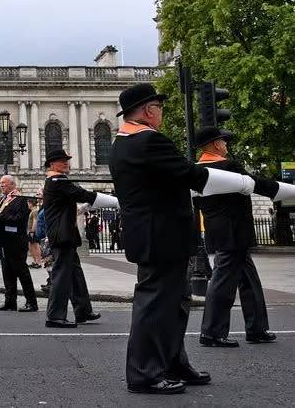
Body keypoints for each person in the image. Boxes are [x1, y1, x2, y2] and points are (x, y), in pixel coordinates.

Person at [109, 83, 272, 395]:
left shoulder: (123, 142)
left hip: (155, 234)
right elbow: (192, 175)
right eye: (159, 107)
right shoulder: (147, 140)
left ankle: (172, 362)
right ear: (148, 110)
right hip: (161, 235)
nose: (162, 113)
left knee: (176, 302)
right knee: (156, 304)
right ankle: (144, 372)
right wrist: (244, 183)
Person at [194, 127, 278, 347]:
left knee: (249, 280)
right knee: (222, 283)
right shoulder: (229, 166)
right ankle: (212, 332)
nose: (226, 145)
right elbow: (254, 184)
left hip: (216, 231)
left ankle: (257, 328)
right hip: (235, 232)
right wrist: (281, 190)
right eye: (222, 141)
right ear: (214, 145)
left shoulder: (196, 170)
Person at [42, 148, 117, 328]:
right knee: (61, 275)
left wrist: (84, 207)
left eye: (66, 159)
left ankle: (83, 310)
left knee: (75, 273)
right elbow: (84, 195)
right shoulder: (57, 180)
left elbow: (74, 205)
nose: (66, 162)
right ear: (52, 164)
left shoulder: (55, 181)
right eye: (61, 160)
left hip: (65, 233)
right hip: (62, 235)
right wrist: (117, 202)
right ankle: (54, 315)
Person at [0, 175, 38, 313]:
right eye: (1, 184)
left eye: (4, 184)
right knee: (7, 272)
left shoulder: (19, 199)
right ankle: (10, 301)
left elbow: (19, 219)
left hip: (17, 241)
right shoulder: (3, 199)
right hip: (5, 240)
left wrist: (0, 218)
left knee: (22, 272)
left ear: (12, 184)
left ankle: (31, 302)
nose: (1, 186)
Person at [27, 198, 42, 268]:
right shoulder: (33, 211)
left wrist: (32, 231)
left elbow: (35, 221)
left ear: (31, 203)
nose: (28, 205)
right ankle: (35, 261)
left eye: (28, 203)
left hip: (33, 231)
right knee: (31, 246)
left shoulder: (35, 211)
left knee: (36, 246)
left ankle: (38, 262)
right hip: (31, 231)